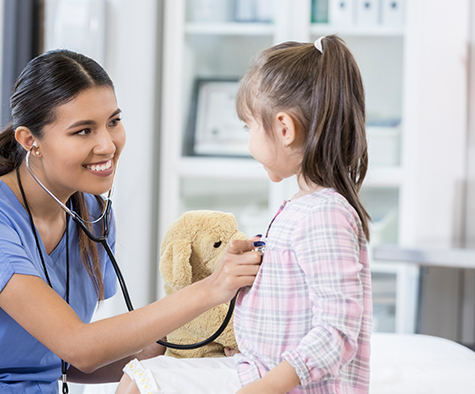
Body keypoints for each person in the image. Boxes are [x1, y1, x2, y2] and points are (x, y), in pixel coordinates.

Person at [0, 49, 263, 394]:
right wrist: (213, 288)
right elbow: (80, 347)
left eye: (113, 122)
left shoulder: (92, 214)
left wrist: (186, 346)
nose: (107, 145)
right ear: (29, 140)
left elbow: (69, 363)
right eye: (83, 131)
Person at [117, 35, 373, 394]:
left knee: (143, 380)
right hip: (261, 369)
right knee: (144, 370)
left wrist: (266, 387)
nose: (248, 137)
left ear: (284, 129)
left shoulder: (325, 214)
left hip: (284, 384)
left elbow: (337, 331)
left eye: (248, 126)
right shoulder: (306, 207)